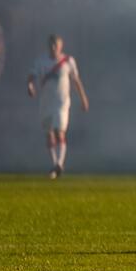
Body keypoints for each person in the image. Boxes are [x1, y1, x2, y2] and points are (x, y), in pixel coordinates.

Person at [27, 34, 89, 179]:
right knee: (49, 135)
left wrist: (83, 98)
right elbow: (32, 75)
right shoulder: (41, 61)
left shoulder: (68, 61)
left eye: (56, 44)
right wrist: (30, 85)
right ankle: (55, 165)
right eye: (51, 44)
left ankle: (59, 164)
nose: (53, 47)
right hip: (46, 103)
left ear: (61, 46)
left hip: (62, 103)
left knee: (59, 131)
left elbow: (76, 81)